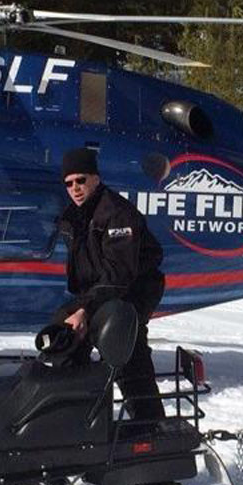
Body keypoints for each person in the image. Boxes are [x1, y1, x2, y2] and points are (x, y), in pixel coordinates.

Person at [56, 146, 166, 426]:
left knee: (122, 341)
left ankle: (149, 425)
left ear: (95, 178)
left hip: (134, 288)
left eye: (81, 180)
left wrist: (85, 310)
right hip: (101, 290)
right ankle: (72, 419)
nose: (75, 188)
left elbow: (119, 273)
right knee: (63, 333)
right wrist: (80, 307)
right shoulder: (74, 217)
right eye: (69, 183)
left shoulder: (117, 214)